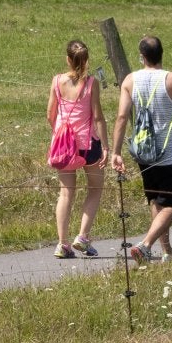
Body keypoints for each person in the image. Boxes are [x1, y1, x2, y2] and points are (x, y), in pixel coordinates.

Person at [112, 35, 172, 263]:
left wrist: (116, 152)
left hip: (144, 152)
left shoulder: (129, 80)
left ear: (142, 57)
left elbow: (121, 117)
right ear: (161, 54)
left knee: (156, 201)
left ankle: (166, 251)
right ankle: (145, 245)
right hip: (169, 154)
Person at [47, 39, 108, 258]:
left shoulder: (56, 82)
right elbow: (98, 117)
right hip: (88, 145)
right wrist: (107, 147)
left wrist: (59, 134)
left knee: (66, 193)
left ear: (67, 60)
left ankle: (62, 244)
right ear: (87, 60)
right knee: (95, 188)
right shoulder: (91, 83)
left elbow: (50, 114)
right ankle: (82, 237)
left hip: (64, 146)